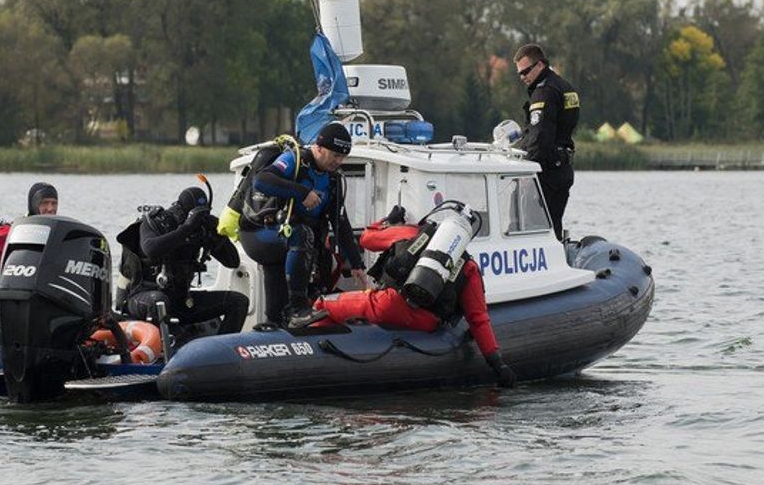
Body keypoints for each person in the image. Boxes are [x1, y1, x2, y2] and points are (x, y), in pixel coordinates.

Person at [313, 208, 517, 387]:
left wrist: (388, 222)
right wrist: (498, 364)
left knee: (324, 303)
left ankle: (311, 344)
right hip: (426, 322)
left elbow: (367, 239)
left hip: (389, 304)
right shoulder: (469, 267)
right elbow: (478, 319)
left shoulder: (412, 233)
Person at [239, 121, 367, 328]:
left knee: (307, 250)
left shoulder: (332, 180)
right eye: (335, 155)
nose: (339, 161)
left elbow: (340, 223)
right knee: (302, 235)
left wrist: (356, 264)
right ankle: (298, 309)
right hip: (258, 233)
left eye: (343, 157)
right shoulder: (296, 160)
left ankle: (275, 324)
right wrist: (301, 192)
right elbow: (262, 180)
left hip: (284, 239)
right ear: (318, 148)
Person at [119, 187, 248, 335]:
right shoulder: (156, 222)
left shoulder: (200, 229)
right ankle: (159, 351)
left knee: (238, 301)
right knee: (159, 301)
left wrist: (217, 234)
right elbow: (151, 250)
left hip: (181, 299)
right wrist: (187, 227)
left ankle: (223, 349)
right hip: (144, 296)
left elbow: (232, 262)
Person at [513, 44, 579, 240]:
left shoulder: (544, 93)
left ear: (540, 65)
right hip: (564, 168)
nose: (522, 77)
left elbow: (539, 138)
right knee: (553, 226)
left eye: (525, 71)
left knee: (532, 229)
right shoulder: (565, 87)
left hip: (545, 172)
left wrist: (527, 173)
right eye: (519, 73)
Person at [0, 182, 58, 319]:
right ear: (34, 204)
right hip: (12, 306)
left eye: (54, 203)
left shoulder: (59, 235)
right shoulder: (11, 232)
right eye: (45, 203)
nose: (50, 208)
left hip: (47, 304)